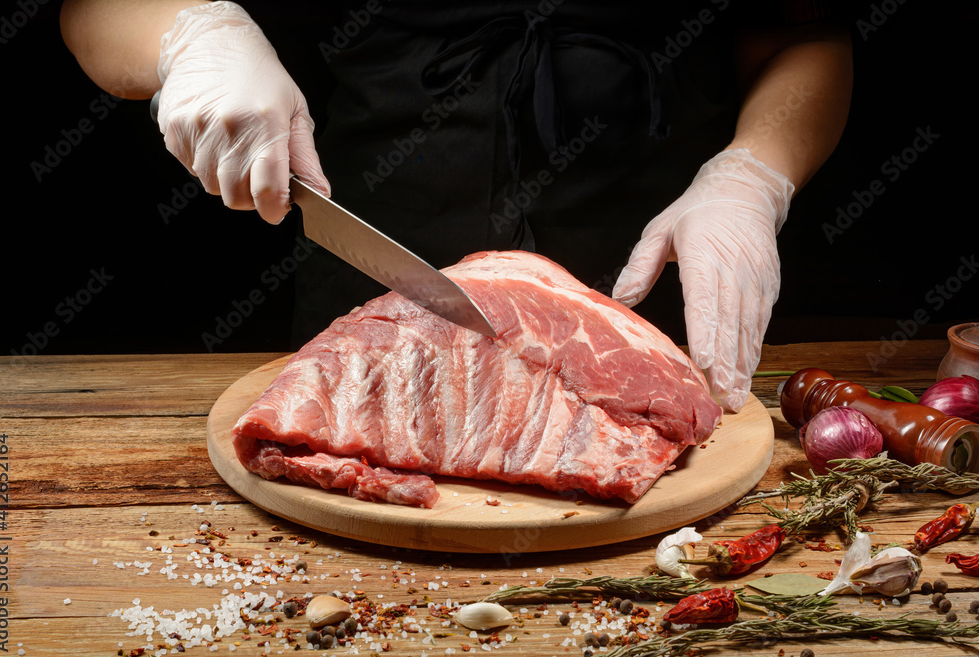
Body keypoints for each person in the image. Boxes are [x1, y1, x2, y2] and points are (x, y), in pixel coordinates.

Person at [60, 0, 853, 412]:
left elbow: (807, 33)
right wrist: (193, 37)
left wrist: (753, 177)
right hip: (376, 312)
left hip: (653, 319)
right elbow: (93, 9)